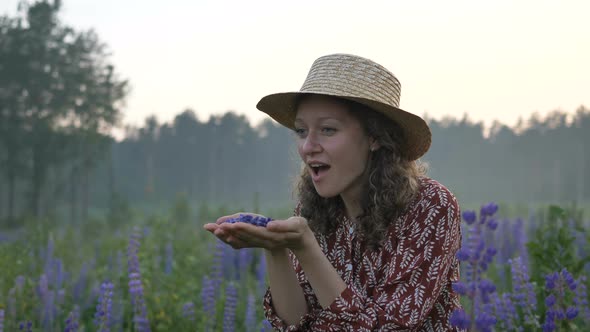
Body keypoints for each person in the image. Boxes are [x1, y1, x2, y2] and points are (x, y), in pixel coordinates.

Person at [204, 53, 464, 331]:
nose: (308, 146)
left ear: (375, 137)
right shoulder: (314, 211)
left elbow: (388, 326)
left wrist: (306, 247)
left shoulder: (430, 205)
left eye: (328, 129)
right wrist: (276, 246)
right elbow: (296, 324)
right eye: (302, 131)